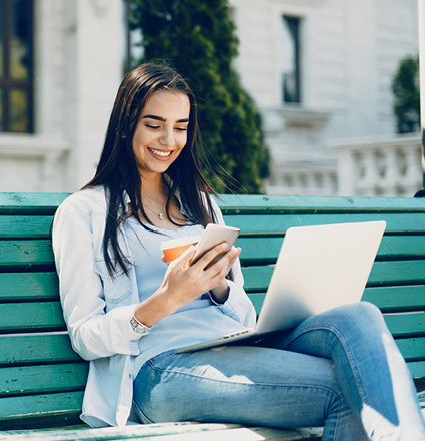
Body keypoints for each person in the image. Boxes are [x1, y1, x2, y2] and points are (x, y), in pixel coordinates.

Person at [51, 62, 425, 440]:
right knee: (349, 388)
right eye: (154, 124)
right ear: (125, 123)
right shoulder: (85, 212)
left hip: (234, 345)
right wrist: (167, 299)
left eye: (180, 127)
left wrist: (217, 287)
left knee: (359, 316)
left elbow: (242, 314)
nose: (169, 139)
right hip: (159, 369)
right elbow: (85, 337)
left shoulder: (201, 206)